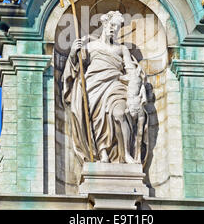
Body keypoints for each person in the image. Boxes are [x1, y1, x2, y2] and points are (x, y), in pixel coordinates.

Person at [62, 11, 148, 164]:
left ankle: (126, 153)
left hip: (115, 86)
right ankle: (102, 153)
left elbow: (131, 70)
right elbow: (76, 68)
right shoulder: (90, 46)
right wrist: (73, 53)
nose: (113, 29)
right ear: (104, 25)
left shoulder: (122, 49)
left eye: (117, 26)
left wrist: (134, 93)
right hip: (93, 86)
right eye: (111, 25)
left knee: (120, 114)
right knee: (96, 119)